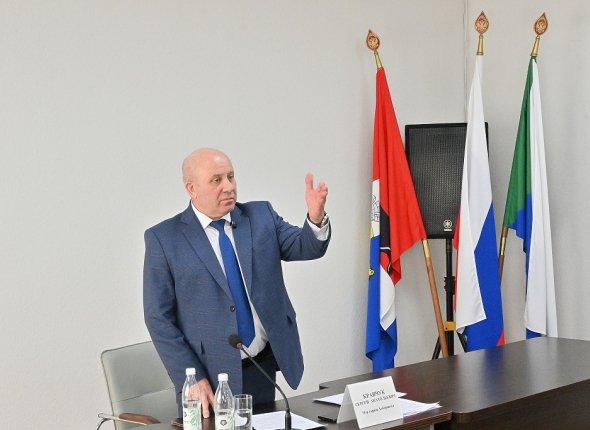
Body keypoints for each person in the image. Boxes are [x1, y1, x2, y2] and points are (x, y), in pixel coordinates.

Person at [143, 148, 330, 418]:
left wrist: (315, 218)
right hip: (208, 378)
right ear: (192, 189)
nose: (229, 186)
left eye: (230, 177)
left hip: (261, 364)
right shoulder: (164, 239)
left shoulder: (261, 216)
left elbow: (304, 246)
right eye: (216, 180)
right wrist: (191, 376)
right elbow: (158, 317)